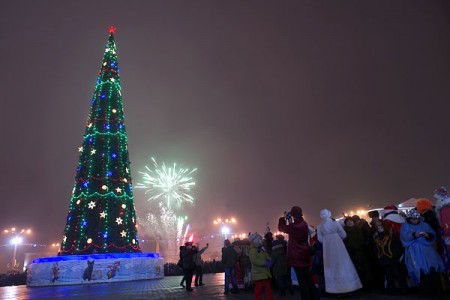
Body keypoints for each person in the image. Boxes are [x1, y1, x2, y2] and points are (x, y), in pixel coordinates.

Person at [400, 208, 445, 295]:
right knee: (419, 270)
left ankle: (437, 291)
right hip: (414, 253)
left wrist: (428, 235)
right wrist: (414, 235)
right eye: (413, 219)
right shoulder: (405, 226)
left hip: (428, 251)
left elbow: (433, 234)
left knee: (432, 268)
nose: (415, 220)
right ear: (410, 219)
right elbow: (404, 236)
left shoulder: (425, 225)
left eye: (416, 219)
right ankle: (426, 292)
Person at [278, 206, 319, 300]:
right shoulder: (304, 223)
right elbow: (293, 228)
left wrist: (283, 218)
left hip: (297, 256)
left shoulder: (294, 226)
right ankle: (315, 297)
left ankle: (306, 297)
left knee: (302, 281)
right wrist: (290, 220)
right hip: (304, 254)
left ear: (293, 215)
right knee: (308, 278)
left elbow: (282, 228)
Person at [317, 209, 362, 295]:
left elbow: (320, 239)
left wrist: (327, 241)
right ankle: (349, 287)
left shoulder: (320, 226)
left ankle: (336, 289)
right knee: (344, 264)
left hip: (328, 248)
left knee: (331, 266)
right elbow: (343, 234)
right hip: (338, 246)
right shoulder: (335, 223)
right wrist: (337, 239)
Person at [372, 219, 408, 295]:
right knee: (388, 276)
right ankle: (392, 290)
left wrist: (398, 256)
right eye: (377, 226)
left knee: (398, 274)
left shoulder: (391, 235)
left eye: (380, 225)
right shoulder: (375, 237)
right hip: (383, 259)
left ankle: (404, 289)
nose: (379, 227)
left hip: (393, 258)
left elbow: (397, 246)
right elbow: (375, 248)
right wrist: (378, 257)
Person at [249, 232, 274, 300]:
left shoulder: (262, 248)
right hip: (258, 273)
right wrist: (265, 262)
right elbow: (254, 260)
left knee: (268, 289)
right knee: (258, 290)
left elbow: (267, 255)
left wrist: (269, 260)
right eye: (260, 239)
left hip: (265, 273)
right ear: (255, 240)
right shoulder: (252, 250)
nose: (261, 240)